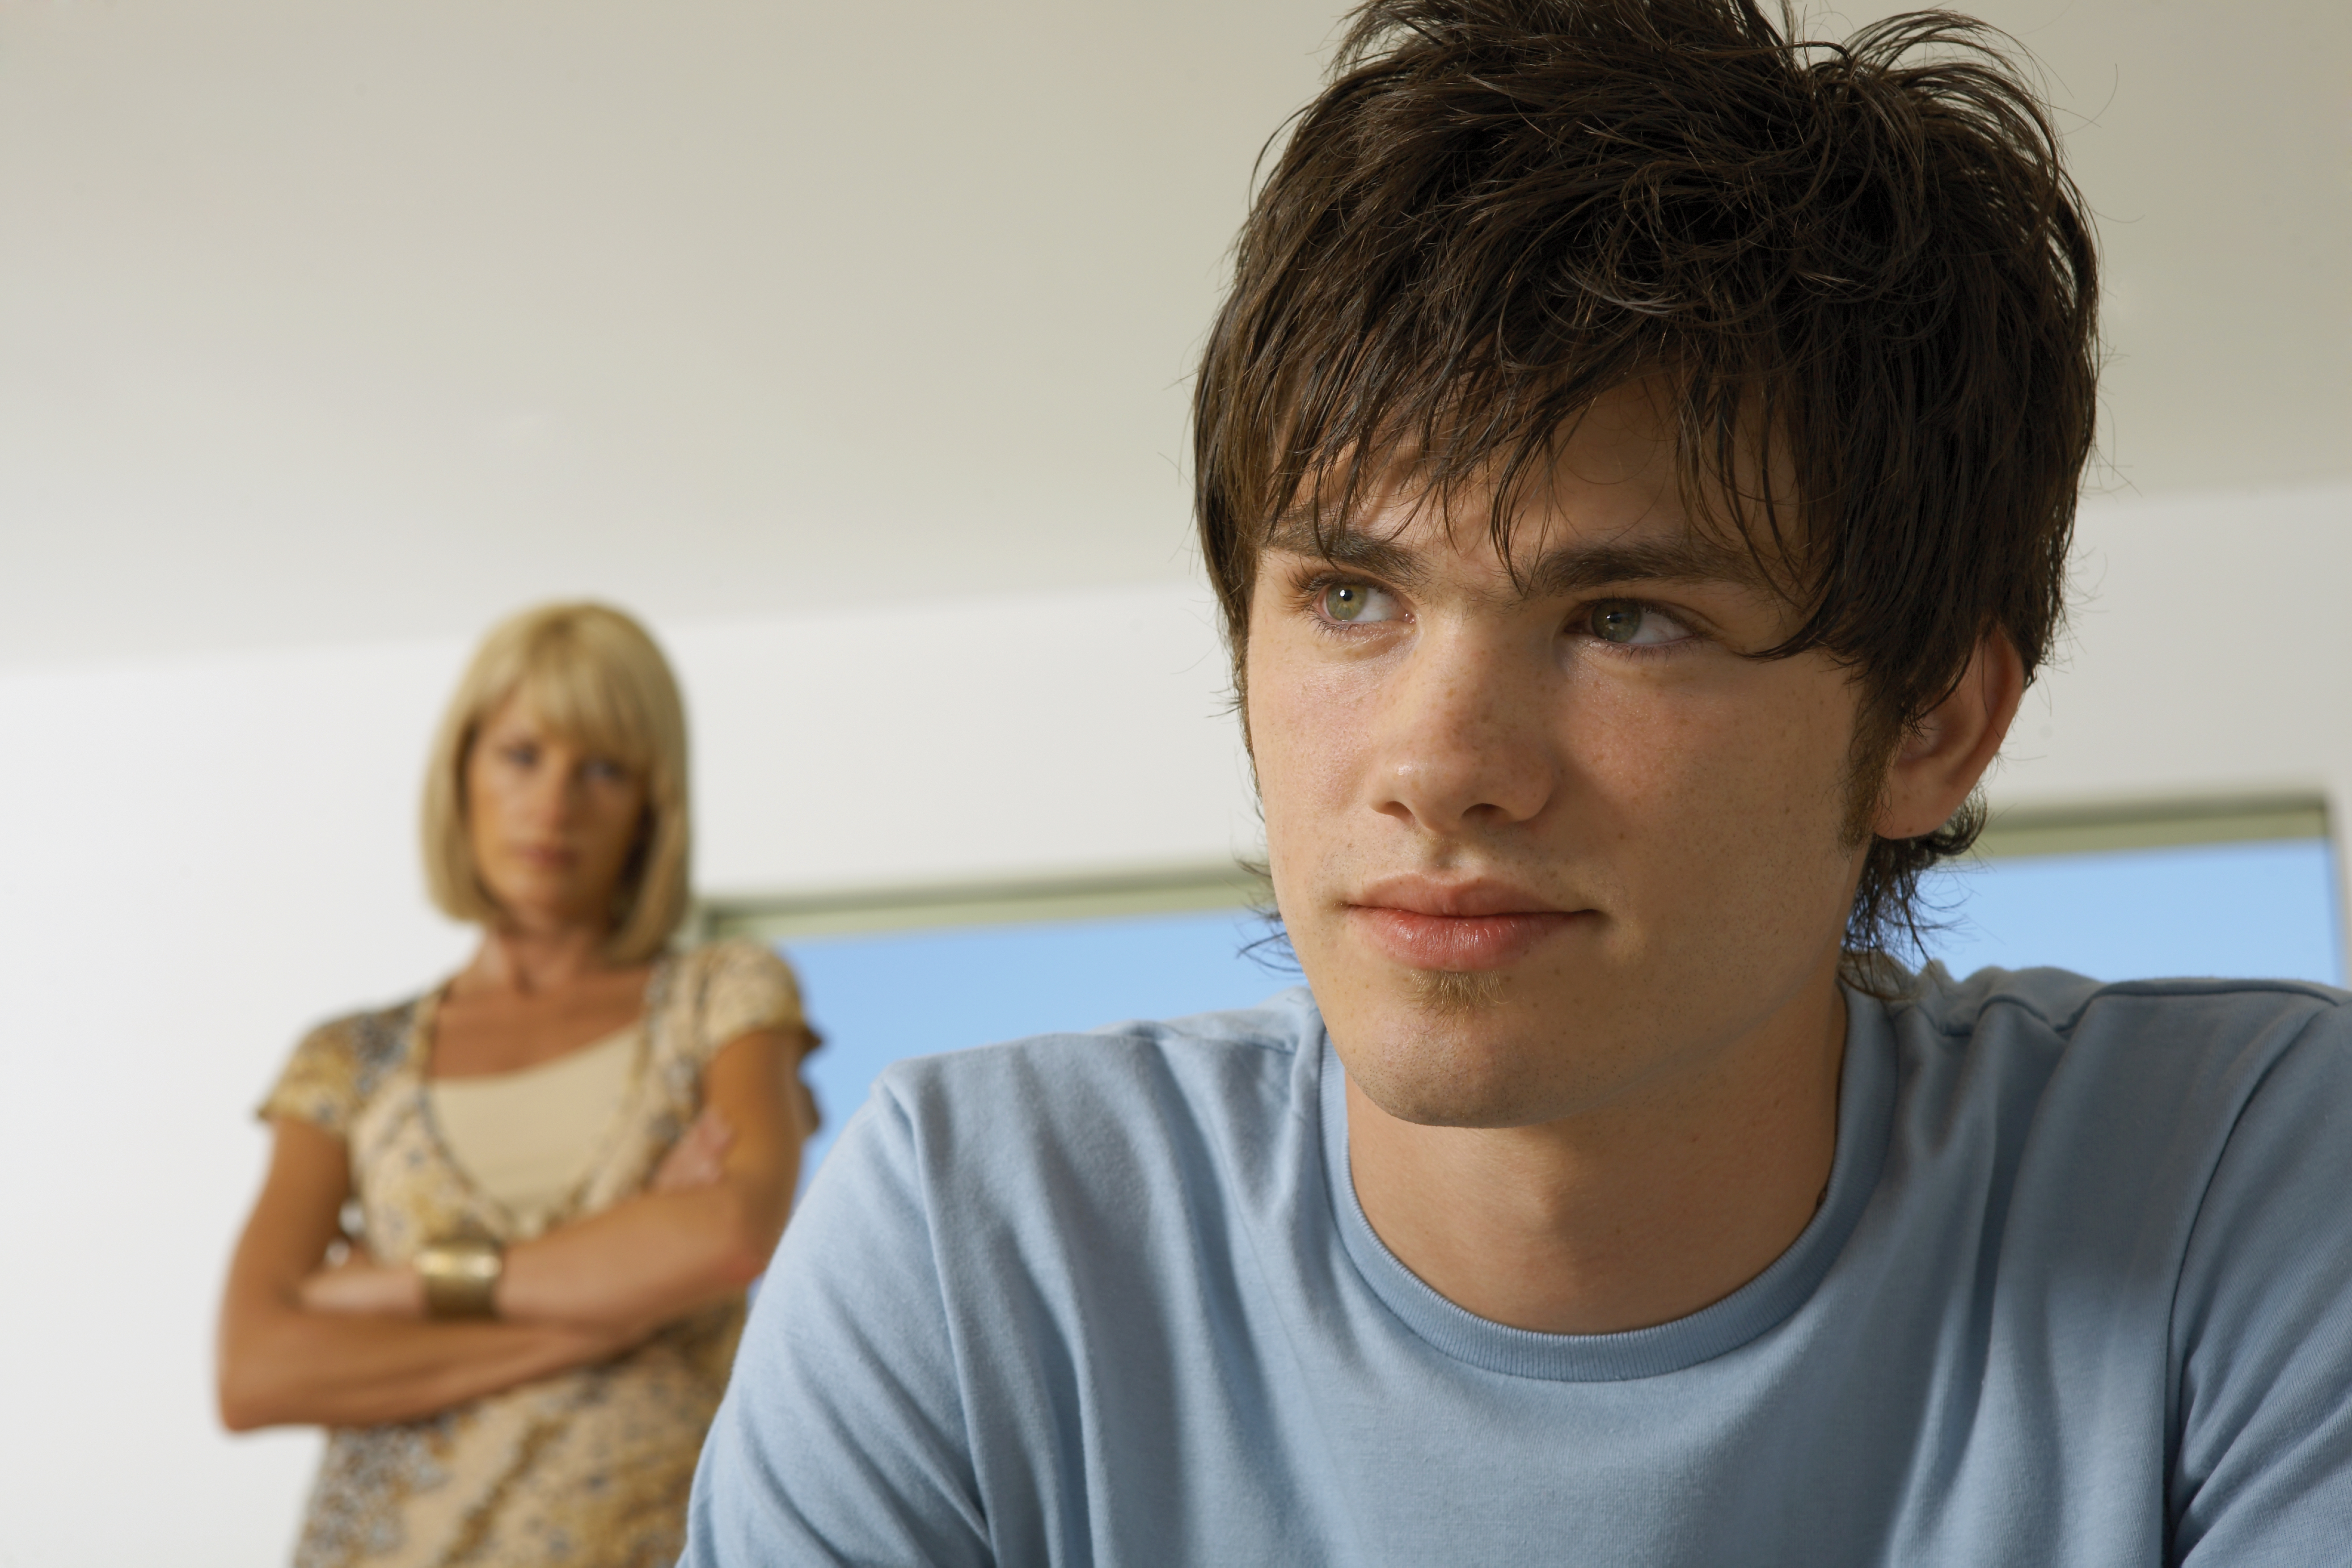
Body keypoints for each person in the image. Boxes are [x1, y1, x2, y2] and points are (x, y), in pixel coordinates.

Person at [683, 3, 2352, 1564]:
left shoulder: (2249, 1188)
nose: (1436, 764)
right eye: (1351, 595)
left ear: (1931, 720)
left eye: (1626, 618)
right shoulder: (974, 1248)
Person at [218, 602, 818, 1568]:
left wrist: (398, 1290)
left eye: (605, 768)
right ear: (460, 772)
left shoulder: (723, 998)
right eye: (521, 754)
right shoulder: (347, 1057)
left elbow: (732, 1231)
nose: (555, 803)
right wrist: (619, 1301)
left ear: (653, 804)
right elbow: (256, 1369)